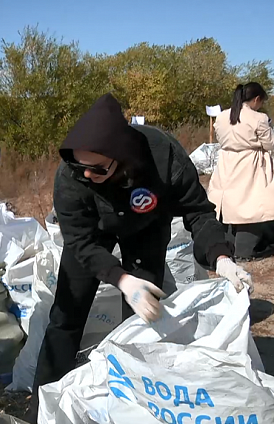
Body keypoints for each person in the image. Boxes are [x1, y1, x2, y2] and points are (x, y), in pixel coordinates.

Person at [24, 93, 252, 423]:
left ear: (122, 156)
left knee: (142, 318)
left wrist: (220, 258)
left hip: (146, 225)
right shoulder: (71, 178)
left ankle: (136, 401)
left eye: (96, 168)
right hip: (93, 232)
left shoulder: (164, 157)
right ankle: (40, 410)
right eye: (79, 166)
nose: (86, 174)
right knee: (66, 317)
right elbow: (80, 242)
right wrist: (120, 278)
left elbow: (198, 213)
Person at [208, 82, 274, 260]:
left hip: (227, 162)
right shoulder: (258, 118)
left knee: (229, 207)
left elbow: (221, 138)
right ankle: (244, 251)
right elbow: (269, 144)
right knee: (252, 207)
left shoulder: (222, 117)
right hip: (249, 164)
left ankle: (229, 247)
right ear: (256, 99)